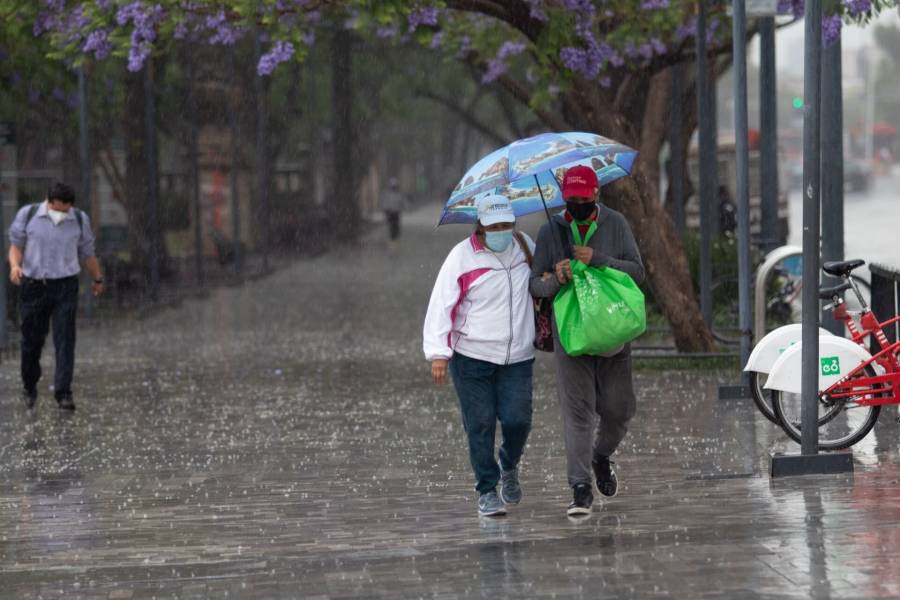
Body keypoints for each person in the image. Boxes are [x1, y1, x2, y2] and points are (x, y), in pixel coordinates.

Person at [529, 165, 645, 516]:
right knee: (577, 412)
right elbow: (534, 284)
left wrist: (600, 261)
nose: (576, 205)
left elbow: (637, 273)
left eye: (583, 199)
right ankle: (580, 488)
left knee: (619, 409)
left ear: (596, 194)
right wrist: (557, 278)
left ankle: (601, 455)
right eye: (571, 200)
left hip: (613, 330)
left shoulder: (616, 224)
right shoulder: (551, 230)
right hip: (571, 332)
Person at [423, 194, 536, 517]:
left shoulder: (525, 248)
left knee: (519, 421)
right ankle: (487, 489)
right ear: (481, 227)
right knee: (480, 423)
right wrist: (438, 354)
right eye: (494, 226)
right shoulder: (462, 258)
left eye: (507, 225)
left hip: (518, 356)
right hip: (471, 356)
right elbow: (441, 304)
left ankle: (509, 464)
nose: (502, 231)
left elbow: (542, 282)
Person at [8, 182, 104, 411]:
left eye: (65, 210)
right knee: (31, 341)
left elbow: (87, 253)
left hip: (65, 286)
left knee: (65, 339)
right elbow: (16, 246)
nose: (62, 214)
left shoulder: (79, 219)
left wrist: (97, 278)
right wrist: (14, 266)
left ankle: (63, 392)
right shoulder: (28, 215)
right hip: (34, 285)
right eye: (58, 209)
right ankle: (29, 384)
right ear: (48, 202)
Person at [381, 177, 404, 248]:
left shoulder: (397, 195)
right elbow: (384, 205)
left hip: (394, 214)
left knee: (394, 231)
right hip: (392, 214)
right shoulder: (389, 195)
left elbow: (402, 204)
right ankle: (393, 246)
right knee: (393, 231)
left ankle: (393, 246)